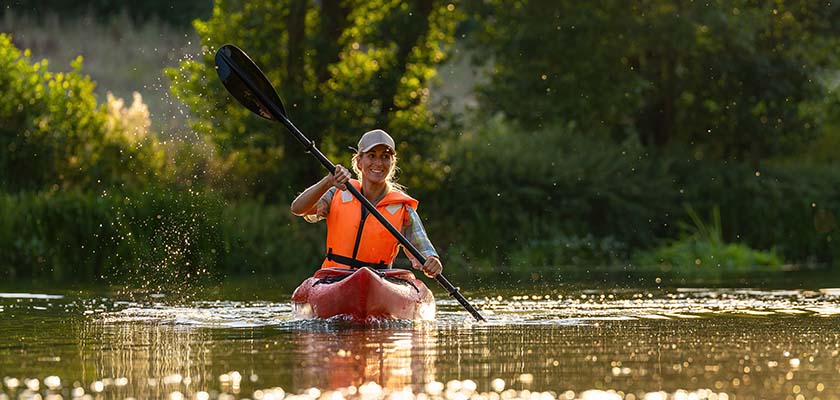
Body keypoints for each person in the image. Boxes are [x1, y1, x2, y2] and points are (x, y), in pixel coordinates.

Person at [290, 129, 443, 277]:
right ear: (358, 162)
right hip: (334, 278)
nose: (378, 163)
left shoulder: (403, 209)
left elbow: (426, 255)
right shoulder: (338, 193)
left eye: (385, 156)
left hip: (378, 283)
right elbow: (297, 208)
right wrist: (327, 181)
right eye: (371, 155)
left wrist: (433, 262)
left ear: (392, 163)